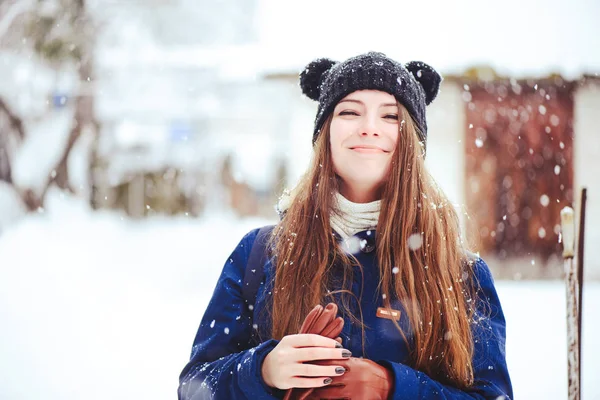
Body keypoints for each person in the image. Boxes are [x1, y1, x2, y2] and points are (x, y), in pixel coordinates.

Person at [178, 51, 513, 399]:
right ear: (325, 134)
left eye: (390, 115)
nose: (368, 127)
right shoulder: (260, 254)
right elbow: (195, 388)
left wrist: (394, 388)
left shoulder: (459, 272)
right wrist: (263, 370)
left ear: (412, 142)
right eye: (350, 111)